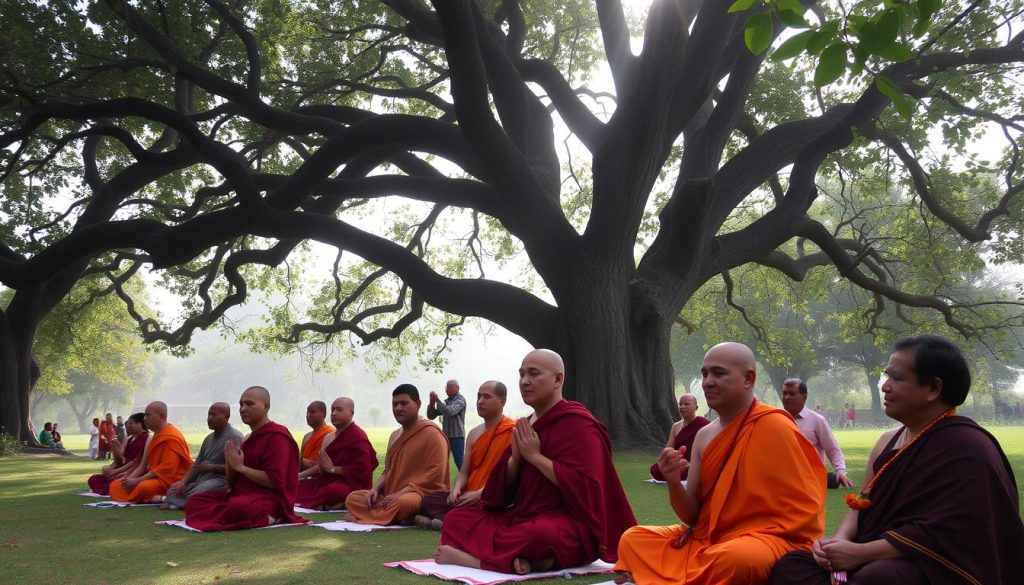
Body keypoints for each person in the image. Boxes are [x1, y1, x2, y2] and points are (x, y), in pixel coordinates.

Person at [771, 335, 1024, 585]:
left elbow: (951, 532)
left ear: (933, 388)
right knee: (790, 565)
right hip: (870, 553)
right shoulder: (887, 441)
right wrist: (839, 543)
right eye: (886, 376)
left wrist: (862, 553)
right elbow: (862, 502)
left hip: (929, 563)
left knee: (880, 577)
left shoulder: (968, 447)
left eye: (897, 378)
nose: (884, 386)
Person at [613, 342, 825, 585]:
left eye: (719, 373)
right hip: (706, 539)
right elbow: (692, 517)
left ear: (749, 378)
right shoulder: (704, 435)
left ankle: (655, 575)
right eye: (704, 374)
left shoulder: (776, 426)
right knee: (633, 538)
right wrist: (672, 481)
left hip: (761, 539)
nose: (707, 382)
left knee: (738, 560)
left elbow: (805, 511)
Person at [437, 349, 636, 575]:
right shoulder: (525, 425)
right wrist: (516, 458)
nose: (524, 382)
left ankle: (474, 561)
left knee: (539, 536)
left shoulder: (579, 423)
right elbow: (499, 494)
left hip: (565, 523)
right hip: (521, 516)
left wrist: (535, 457)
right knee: (456, 519)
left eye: (533, 374)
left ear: (557, 379)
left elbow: (588, 487)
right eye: (521, 375)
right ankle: (536, 561)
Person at [185, 386, 307, 531]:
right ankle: (258, 517)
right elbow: (232, 483)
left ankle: (270, 516)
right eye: (241, 404)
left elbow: (275, 481)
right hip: (242, 495)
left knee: (238, 507)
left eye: (249, 404)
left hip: (269, 499)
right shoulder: (248, 438)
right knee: (195, 501)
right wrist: (231, 464)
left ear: (266, 407)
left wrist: (241, 468)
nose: (243, 409)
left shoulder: (277, 436)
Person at [344, 384, 450, 525]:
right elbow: (388, 470)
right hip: (390, 496)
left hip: (418, 494)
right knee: (353, 497)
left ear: (418, 404)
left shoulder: (433, 434)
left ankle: (363, 516)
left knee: (404, 504)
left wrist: (400, 493)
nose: (398, 408)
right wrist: (375, 489)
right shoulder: (395, 435)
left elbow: (436, 474)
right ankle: (408, 518)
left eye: (404, 403)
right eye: (395, 404)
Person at [416, 380, 516, 529]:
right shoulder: (474, 433)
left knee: (490, 508)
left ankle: (449, 520)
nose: (480, 401)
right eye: (478, 396)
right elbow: (464, 472)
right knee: (429, 500)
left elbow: (510, 479)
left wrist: (481, 494)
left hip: (492, 496)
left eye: (486, 397)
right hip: (468, 495)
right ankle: (456, 518)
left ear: (502, 401)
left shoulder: (513, 431)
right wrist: (456, 489)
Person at [296, 397, 378, 510]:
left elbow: (363, 469)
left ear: (351, 413)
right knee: (296, 486)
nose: (334, 413)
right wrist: (299, 476)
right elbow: (322, 466)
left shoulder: (358, 436)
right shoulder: (328, 437)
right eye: (333, 410)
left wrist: (333, 469)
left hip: (350, 483)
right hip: (325, 481)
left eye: (339, 410)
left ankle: (335, 503)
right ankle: (331, 504)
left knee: (333, 490)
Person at [160, 402, 243, 510]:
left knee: (199, 493)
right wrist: (183, 482)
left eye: (213, 415)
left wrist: (212, 467)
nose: (209, 418)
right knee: (173, 489)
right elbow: (197, 465)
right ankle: (180, 502)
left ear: (226, 417)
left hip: (221, 481)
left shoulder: (235, 437)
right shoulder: (208, 438)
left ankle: (178, 503)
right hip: (202, 480)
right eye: (209, 415)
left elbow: (236, 468)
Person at [109, 402, 192, 503]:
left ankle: (161, 498)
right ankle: (153, 498)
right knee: (116, 485)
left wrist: (138, 480)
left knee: (143, 487)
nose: (144, 419)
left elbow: (167, 467)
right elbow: (143, 464)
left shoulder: (171, 437)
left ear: (161, 416)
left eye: (148, 415)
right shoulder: (155, 436)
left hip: (170, 481)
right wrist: (130, 479)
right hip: (155, 478)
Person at [781, 378, 855, 489]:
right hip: (782, 483)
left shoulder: (817, 420)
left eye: (792, 394)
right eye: (784, 393)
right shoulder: (777, 419)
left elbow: (832, 449)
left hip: (810, 483)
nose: (787, 397)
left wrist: (840, 471)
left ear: (804, 396)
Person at [649, 394, 709, 482]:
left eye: (686, 404)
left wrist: (693, 464)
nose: (682, 407)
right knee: (655, 469)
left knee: (689, 471)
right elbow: (669, 448)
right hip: (677, 463)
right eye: (680, 404)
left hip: (693, 464)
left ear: (696, 408)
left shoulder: (704, 424)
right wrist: (667, 461)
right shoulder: (675, 426)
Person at [88, 413, 150, 495]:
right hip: (124, 467)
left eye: (131, 423)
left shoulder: (147, 438)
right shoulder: (128, 438)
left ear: (140, 423)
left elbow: (136, 462)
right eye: (128, 423)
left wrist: (116, 472)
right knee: (93, 479)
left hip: (135, 471)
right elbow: (121, 457)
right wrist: (114, 446)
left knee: (116, 483)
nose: (129, 425)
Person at [427, 379, 467, 469]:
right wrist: (432, 403)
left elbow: (450, 411)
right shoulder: (447, 401)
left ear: (456, 388)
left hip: (457, 436)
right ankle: (442, 481)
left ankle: (469, 481)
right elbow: (431, 416)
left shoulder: (460, 400)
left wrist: (437, 400)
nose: (446, 389)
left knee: (459, 460)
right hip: (446, 436)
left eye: (448, 387)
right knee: (441, 460)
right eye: (446, 387)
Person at [299, 401, 336, 470]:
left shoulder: (331, 433)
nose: (308, 415)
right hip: (304, 476)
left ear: (324, 414)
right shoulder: (307, 436)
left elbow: (326, 464)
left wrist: (301, 461)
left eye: (312, 412)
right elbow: (300, 462)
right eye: (307, 412)